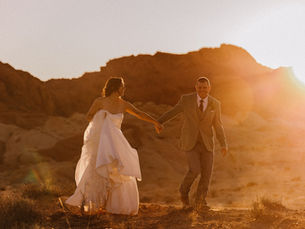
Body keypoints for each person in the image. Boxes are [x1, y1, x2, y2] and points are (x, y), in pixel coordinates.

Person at [66, 77, 162, 215]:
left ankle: (113, 205)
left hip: (115, 142)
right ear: (115, 87)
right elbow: (89, 116)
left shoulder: (124, 104)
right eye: (123, 86)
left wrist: (155, 122)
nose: (124, 89)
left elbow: (140, 114)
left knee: (117, 171)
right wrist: (101, 117)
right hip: (100, 143)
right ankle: (89, 204)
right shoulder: (99, 102)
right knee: (96, 171)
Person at [158, 76, 228, 211]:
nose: (202, 90)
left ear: (209, 88)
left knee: (206, 174)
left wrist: (223, 144)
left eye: (205, 87)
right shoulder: (186, 100)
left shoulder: (215, 104)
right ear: (196, 87)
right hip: (190, 142)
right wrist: (160, 121)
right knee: (195, 170)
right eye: (200, 87)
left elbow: (218, 125)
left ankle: (200, 202)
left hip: (207, 143)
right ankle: (183, 191)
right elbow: (174, 111)